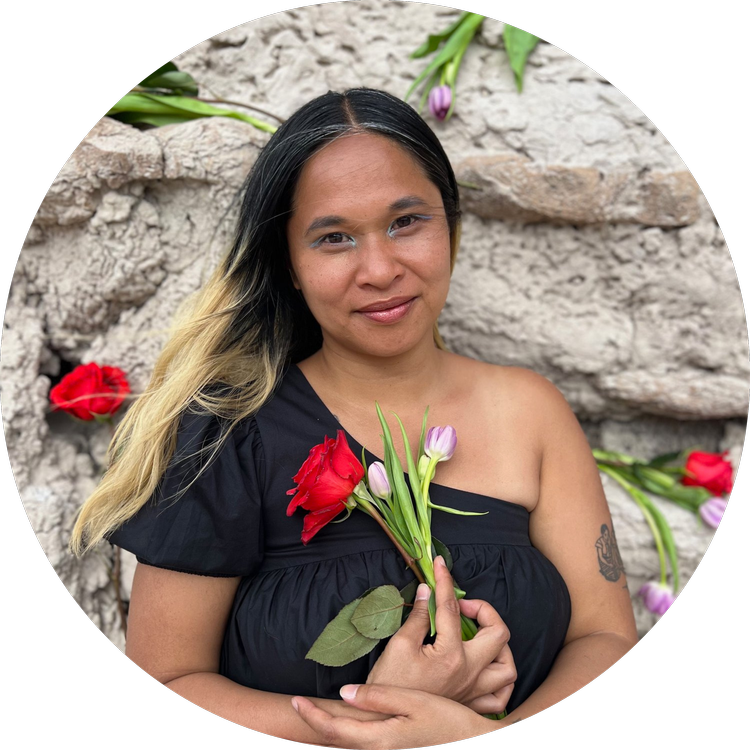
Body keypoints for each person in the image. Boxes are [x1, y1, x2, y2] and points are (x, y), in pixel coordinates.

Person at [70, 87, 638, 745]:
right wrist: (374, 723)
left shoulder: (531, 412)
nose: (379, 269)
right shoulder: (225, 431)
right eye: (334, 238)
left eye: (406, 222)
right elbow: (170, 680)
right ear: (289, 263)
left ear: (450, 224)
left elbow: (605, 637)